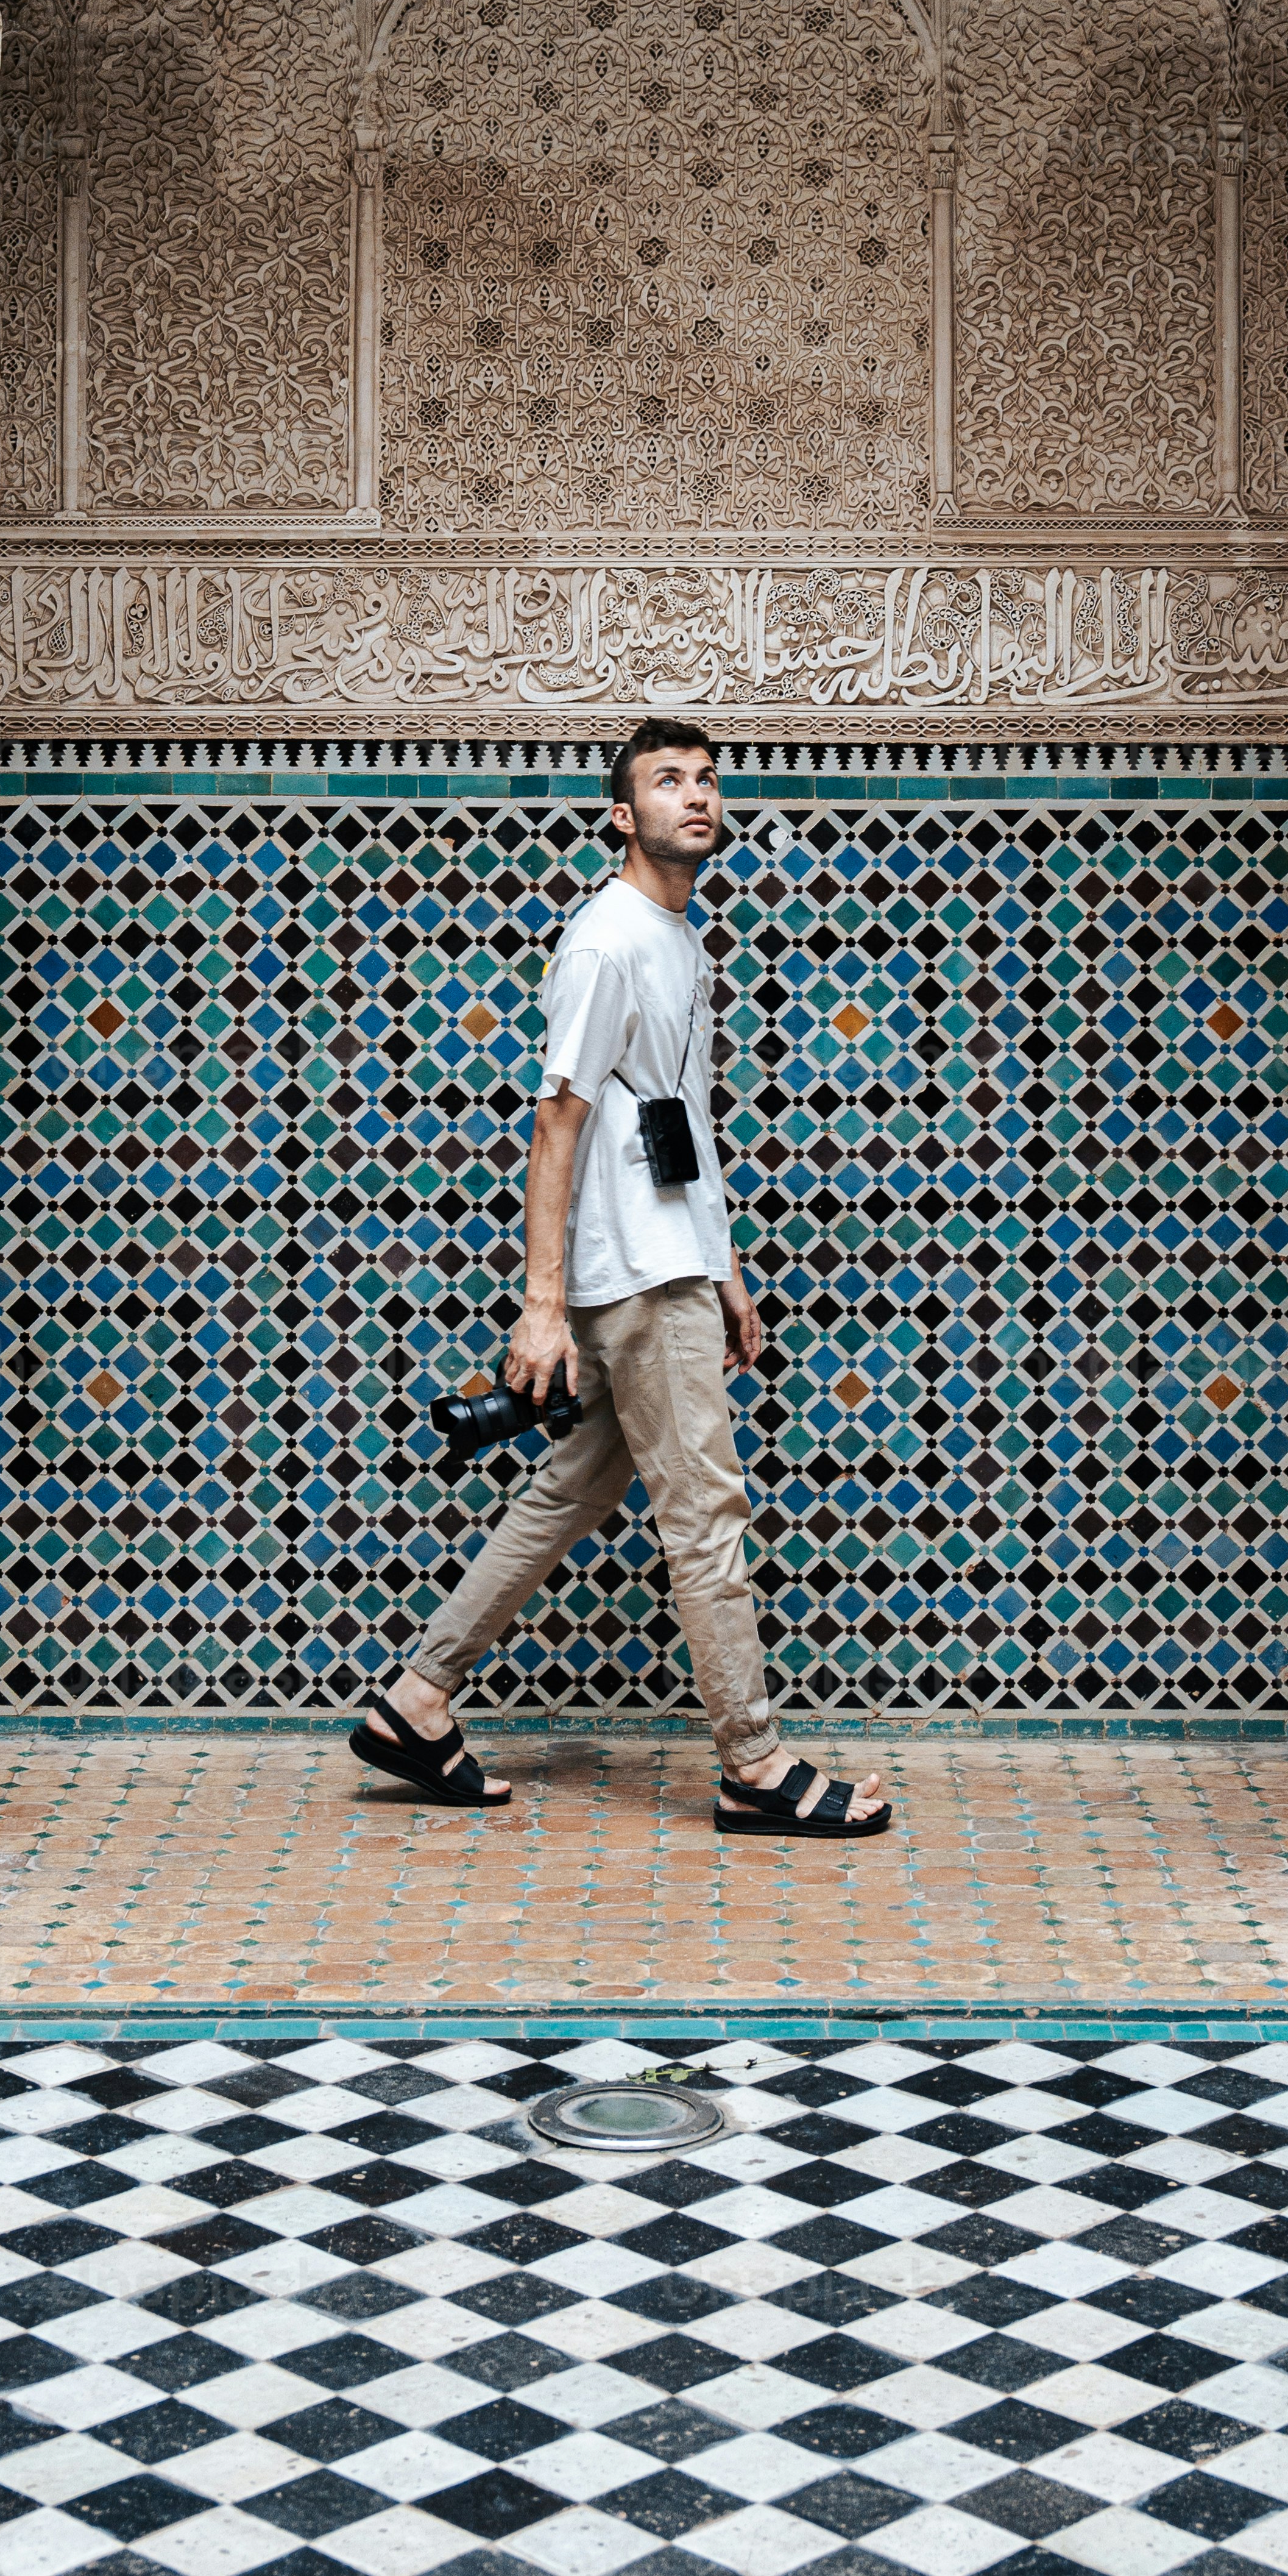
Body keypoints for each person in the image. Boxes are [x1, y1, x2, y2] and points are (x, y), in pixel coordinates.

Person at [349, 717, 893, 1839]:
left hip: (671, 1258)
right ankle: (754, 1763)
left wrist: (725, 1265)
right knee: (705, 1511)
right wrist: (541, 1307)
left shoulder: (680, 942)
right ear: (622, 813)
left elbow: (681, 1121)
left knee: (571, 1493)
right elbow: (560, 1119)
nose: (696, 796)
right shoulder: (606, 941)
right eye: (668, 781)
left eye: (706, 779)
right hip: (635, 1278)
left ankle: (416, 1701)